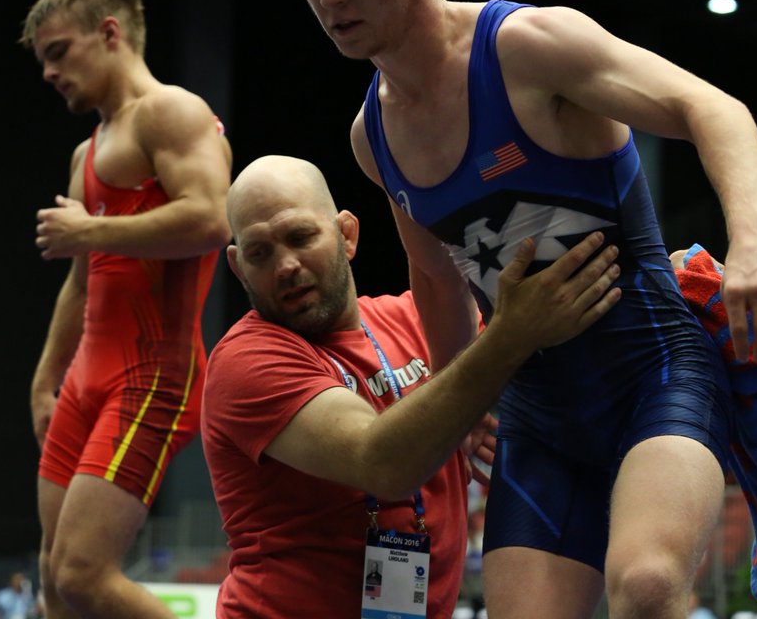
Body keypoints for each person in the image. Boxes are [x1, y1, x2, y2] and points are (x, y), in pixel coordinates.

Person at [275, 0, 757, 616]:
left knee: (650, 587)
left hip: (655, 371)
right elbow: (433, 272)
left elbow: (713, 109)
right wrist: (465, 404)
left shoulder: (525, 46)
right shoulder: (372, 135)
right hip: (539, 414)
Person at [201, 155, 622, 618]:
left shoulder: (418, 322)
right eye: (260, 253)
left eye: (301, 237)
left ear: (347, 235)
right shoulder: (246, 359)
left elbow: (551, 312)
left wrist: (672, 272)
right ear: (239, 268)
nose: (285, 265)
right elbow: (381, 460)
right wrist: (508, 337)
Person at [20, 0, 233, 618]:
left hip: (152, 376)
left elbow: (210, 220)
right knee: (54, 578)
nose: (50, 73)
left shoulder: (173, 111)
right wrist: (44, 379)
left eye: (59, 52)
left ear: (109, 33)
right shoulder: (87, 151)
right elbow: (82, 278)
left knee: (83, 576)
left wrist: (91, 228)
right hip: (86, 375)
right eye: (42, 60)